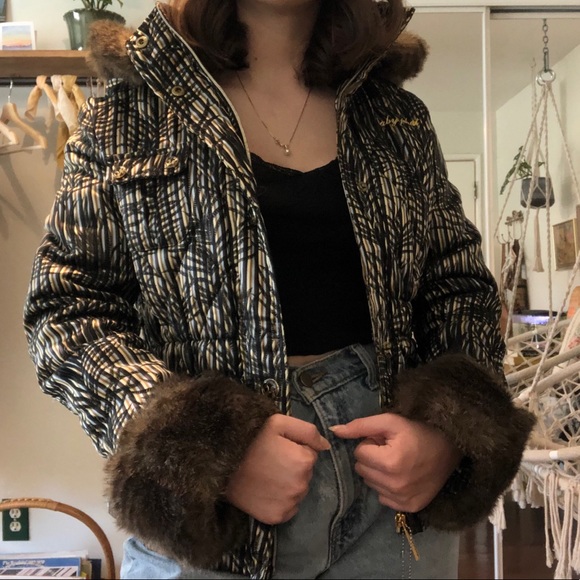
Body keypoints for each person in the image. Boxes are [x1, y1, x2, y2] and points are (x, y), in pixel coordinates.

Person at [23, 1, 535, 578]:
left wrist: (449, 432)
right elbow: (64, 311)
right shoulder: (128, 116)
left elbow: (458, 286)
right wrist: (201, 450)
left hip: (393, 500)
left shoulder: (397, 118)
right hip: (217, 523)